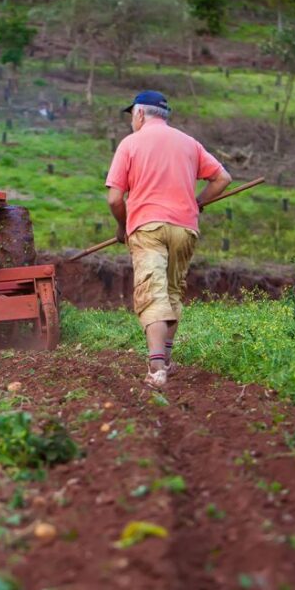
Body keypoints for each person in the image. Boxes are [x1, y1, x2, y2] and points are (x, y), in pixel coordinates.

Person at [105, 90, 232, 389]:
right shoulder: (189, 143)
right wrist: (197, 203)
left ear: (139, 114)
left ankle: (156, 367)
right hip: (184, 228)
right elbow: (223, 178)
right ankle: (168, 360)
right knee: (172, 292)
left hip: (147, 228)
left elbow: (114, 199)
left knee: (152, 293)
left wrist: (122, 226)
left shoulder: (130, 144)